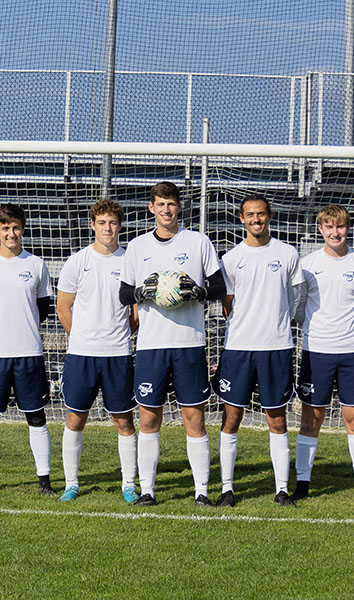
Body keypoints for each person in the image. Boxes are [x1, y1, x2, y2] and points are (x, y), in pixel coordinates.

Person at [119, 181, 226, 507]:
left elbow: (219, 287)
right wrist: (142, 293)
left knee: (194, 417)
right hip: (151, 346)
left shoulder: (198, 242)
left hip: (189, 344)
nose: (166, 210)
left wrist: (197, 292)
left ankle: (202, 492)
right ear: (151, 208)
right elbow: (124, 294)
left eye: (171, 204)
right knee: (149, 418)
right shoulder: (138, 247)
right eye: (160, 204)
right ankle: (148, 491)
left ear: (179, 207)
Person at [215, 193, 303, 508]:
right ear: (242, 218)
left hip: (276, 348)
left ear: (270, 216)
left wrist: (273, 324)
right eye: (250, 215)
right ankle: (227, 489)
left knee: (277, 419)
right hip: (238, 348)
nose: (256, 219)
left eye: (261, 214)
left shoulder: (288, 254)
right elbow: (228, 305)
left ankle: (281, 490)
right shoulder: (230, 258)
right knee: (231, 417)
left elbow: (294, 300)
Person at [293, 204, 354, 505]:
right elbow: (300, 310)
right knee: (310, 420)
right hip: (316, 352)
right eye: (329, 227)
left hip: (353, 353)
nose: (335, 232)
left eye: (340, 227)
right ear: (320, 229)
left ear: (348, 228)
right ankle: (302, 486)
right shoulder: (307, 265)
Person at [0, 203, 54, 496]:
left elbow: (44, 306)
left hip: (29, 353)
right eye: (5, 228)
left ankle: (44, 481)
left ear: (22, 229)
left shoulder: (36, 265)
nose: (11, 233)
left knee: (36, 417)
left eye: (15, 228)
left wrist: (21, 327)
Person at [55, 198, 140, 504]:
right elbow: (63, 308)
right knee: (75, 418)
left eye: (113, 223)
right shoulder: (77, 261)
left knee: (123, 420)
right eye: (102, 223)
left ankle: (129, 483)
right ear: (93, 225)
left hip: (117, 354)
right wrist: (82, 337)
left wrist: (117, 335)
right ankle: (71, 483)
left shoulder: (130, 261)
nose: (108, 228)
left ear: (120, 226)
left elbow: (136, 311)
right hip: (82, 355)